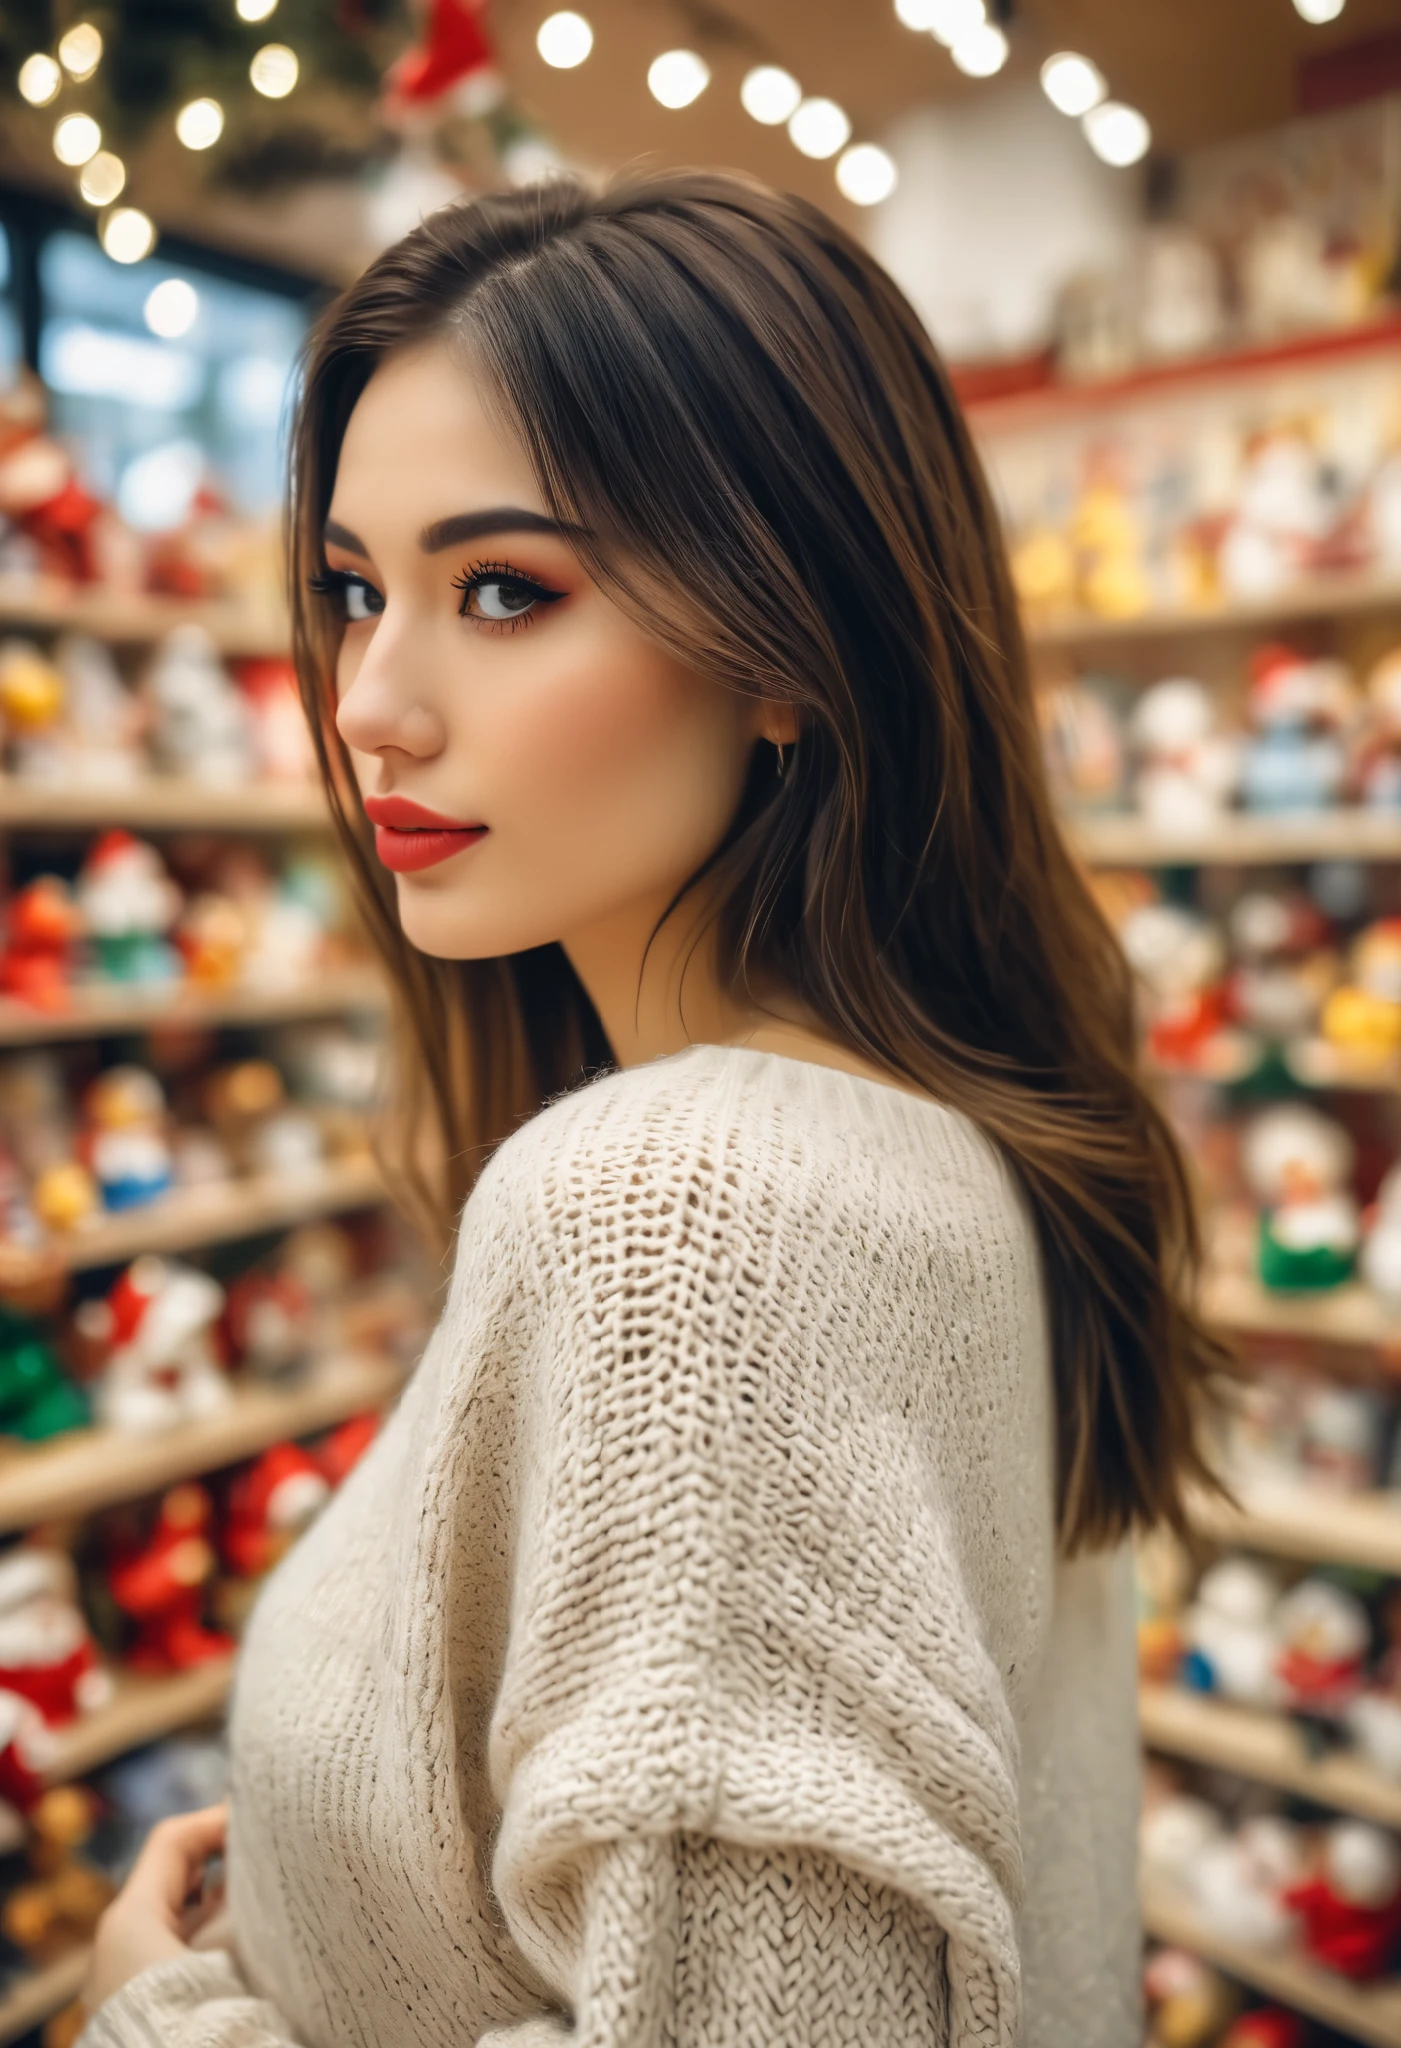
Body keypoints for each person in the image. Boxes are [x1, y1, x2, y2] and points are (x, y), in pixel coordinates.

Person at [78, 170, 1226, 2048]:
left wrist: (165, 2025)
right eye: (356, 592)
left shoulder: (703, 1205)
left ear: (787, 645)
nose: (371, 698)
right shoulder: (934, 1138)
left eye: (507, 592)